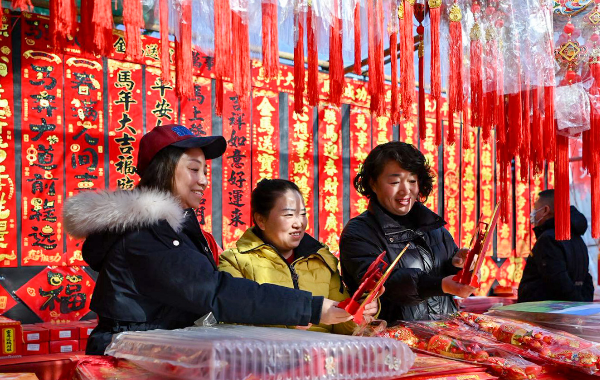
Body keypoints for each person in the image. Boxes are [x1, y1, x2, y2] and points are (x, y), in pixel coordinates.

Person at [63, 124, 352, 355]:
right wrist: (309, 308)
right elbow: (214, 291)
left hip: (151, 347)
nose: (203, 180)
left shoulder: (174, 228)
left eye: (204, 171)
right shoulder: (145, 232)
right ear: (163, 169)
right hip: (129, 356)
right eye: (193, 169)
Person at [339, 141, 477, 324]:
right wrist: (440, 285)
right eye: (395, 182)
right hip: (391, 337)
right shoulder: (359, 233)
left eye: (412, 181)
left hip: (443, 333)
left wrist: (459, 266)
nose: (406, 191)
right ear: (373, 183)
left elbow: (444, 274)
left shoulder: (433, 226)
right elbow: (385, 284)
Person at [219, 179, 378, 333]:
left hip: (320, 350)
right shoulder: (235, 262)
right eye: (289, 215)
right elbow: (231, 318)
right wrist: (292, 315)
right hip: (267, 350)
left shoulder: (322, 260)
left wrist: (358, 312)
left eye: (302, 214)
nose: (299, 223)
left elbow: (341, 327)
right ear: (261, 220)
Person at [517, 189, 595, 303]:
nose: (533, 214)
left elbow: (558, 281)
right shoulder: (578, 239)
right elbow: (586, 278)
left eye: (535, 209)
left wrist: (575, 304)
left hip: (545, 310)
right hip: (571, 308)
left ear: (545, 210)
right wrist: (583, 304)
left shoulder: (548, 239)